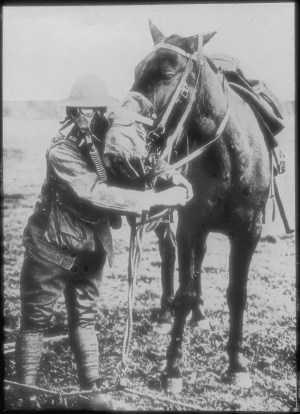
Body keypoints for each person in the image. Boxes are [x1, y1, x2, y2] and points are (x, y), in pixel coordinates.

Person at [14, 74, 193, 410]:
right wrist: (158, 199)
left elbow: (141, 159)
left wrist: (171, 176)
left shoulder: (108, 139)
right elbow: (95, 193)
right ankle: (27, 393)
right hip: (51, 248)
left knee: (84, 317)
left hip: (90, 250)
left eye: (96, 110)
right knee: (36, 320)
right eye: (85, 111)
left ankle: (91, 389)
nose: (92, 117)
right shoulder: (61, 151)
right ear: (74, 112)